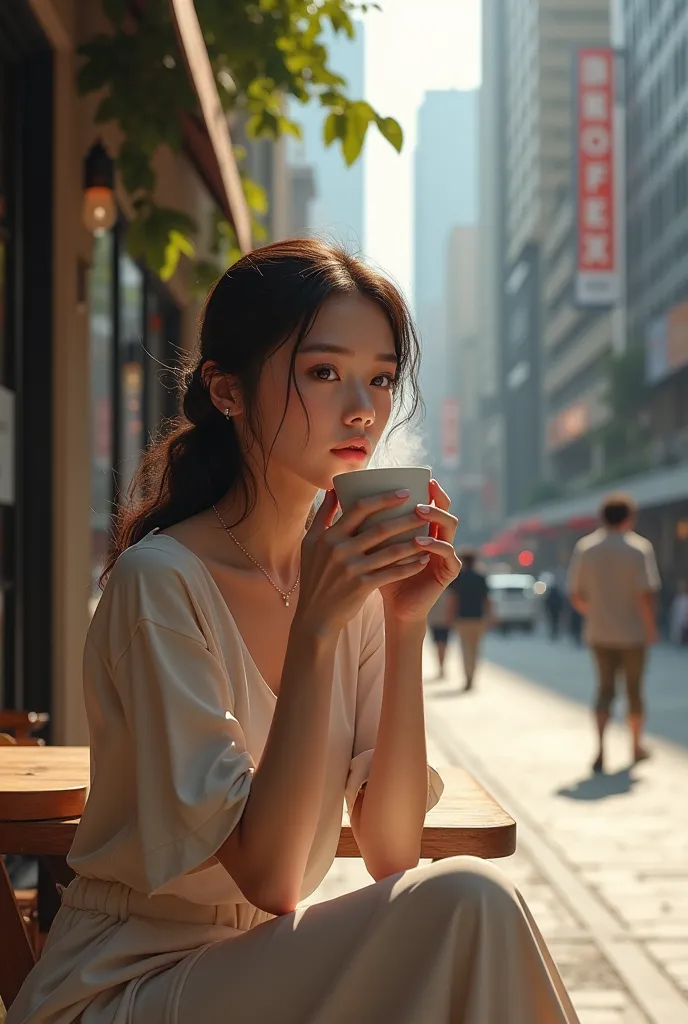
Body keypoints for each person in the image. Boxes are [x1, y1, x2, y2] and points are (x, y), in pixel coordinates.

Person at [9, 241, 579, 1024]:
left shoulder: (348, 585)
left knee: (466, 909)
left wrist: (405, 625)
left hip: (256, 970)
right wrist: (316, 628)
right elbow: (273, 877)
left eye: (380, 378)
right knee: (469, 906)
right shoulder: (161, 584)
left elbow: (390, 852)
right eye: (323, 372)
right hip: (125, 985)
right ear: (228, 390)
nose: (363, 409)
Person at [568, 493, 660, 775]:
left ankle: (600, 749)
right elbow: (645, 596)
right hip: (632, 634)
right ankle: (635, 746)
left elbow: (575, 594)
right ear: (629, 518)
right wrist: (651, 628)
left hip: (599, 633)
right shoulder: (639, 549)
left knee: (604, 691)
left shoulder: (586, 548)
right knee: (634, 692)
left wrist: (595, 612)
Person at [447, 549, 492, 691]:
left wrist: (450, 616)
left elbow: (454, 599)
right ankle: (472, 675)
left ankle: (468, 676)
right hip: (478, 618)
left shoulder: (459, 578)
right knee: (475, 648)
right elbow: (487, 600)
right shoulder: (481, 578)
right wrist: (490, 616)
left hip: (462, 618)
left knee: (465, 648)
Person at [426, 588, 452, 679]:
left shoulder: (432, 591)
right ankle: (441, 666)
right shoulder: (447, 591)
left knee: (439, 644)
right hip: (441, 621)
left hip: (439, 621)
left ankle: (441, 666)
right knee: (442, 645)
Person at [669, 579, 688, 645]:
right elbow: (674, 614)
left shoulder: (686, 599)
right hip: (678, 626)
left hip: (685, 625)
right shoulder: (676, 599)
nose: (681, 588)